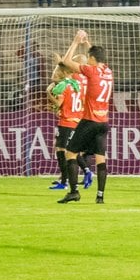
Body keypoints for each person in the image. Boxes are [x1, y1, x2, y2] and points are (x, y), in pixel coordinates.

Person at [57, 30, 113, 204]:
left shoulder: (91, 71)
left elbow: (64, 62)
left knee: (70, 153)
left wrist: (75, 42)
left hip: (89, 120)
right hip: (104, 122)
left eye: (89, 57)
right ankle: (100, 196)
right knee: (100, 158)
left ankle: (74, 191)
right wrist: (88, 43)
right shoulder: (108, 71)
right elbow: (98, 57)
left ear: (92, 59)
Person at [47, 57, 89, 192]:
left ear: (64, 72)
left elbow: (58, 103)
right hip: (78, 120)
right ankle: (70, 178)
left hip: (66, 122)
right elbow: (81, 102)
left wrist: (49, 93)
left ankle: (67, 181)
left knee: (62, 151)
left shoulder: (64, 85)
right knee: (69, 151)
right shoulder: (78, 85)